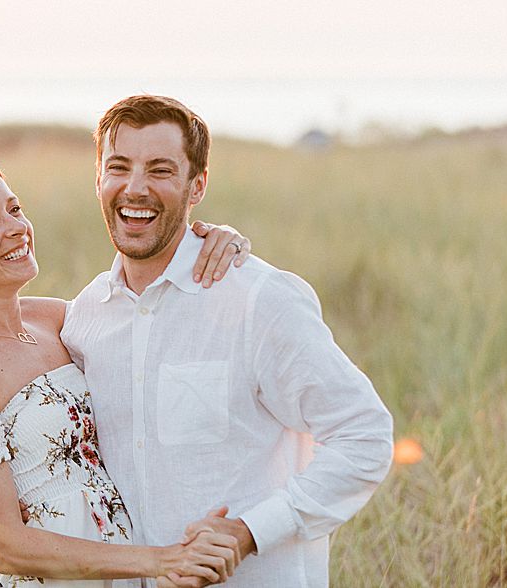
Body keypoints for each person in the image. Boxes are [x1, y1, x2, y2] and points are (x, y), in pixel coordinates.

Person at [0, 156, 254, 586]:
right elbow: (7, 547)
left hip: (113, 570)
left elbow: (152, 319)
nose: (15, 228)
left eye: (14, 209)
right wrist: (160, 562)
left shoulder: (56, 318)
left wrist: (207, 242)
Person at [61, 94, 394, 587]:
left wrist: (248, 532)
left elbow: (364, 435)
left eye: (160, 170)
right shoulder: (85, 318)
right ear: (98, 180)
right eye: (119, 167)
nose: (135, 188)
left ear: (197, 186)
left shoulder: (258, 299)